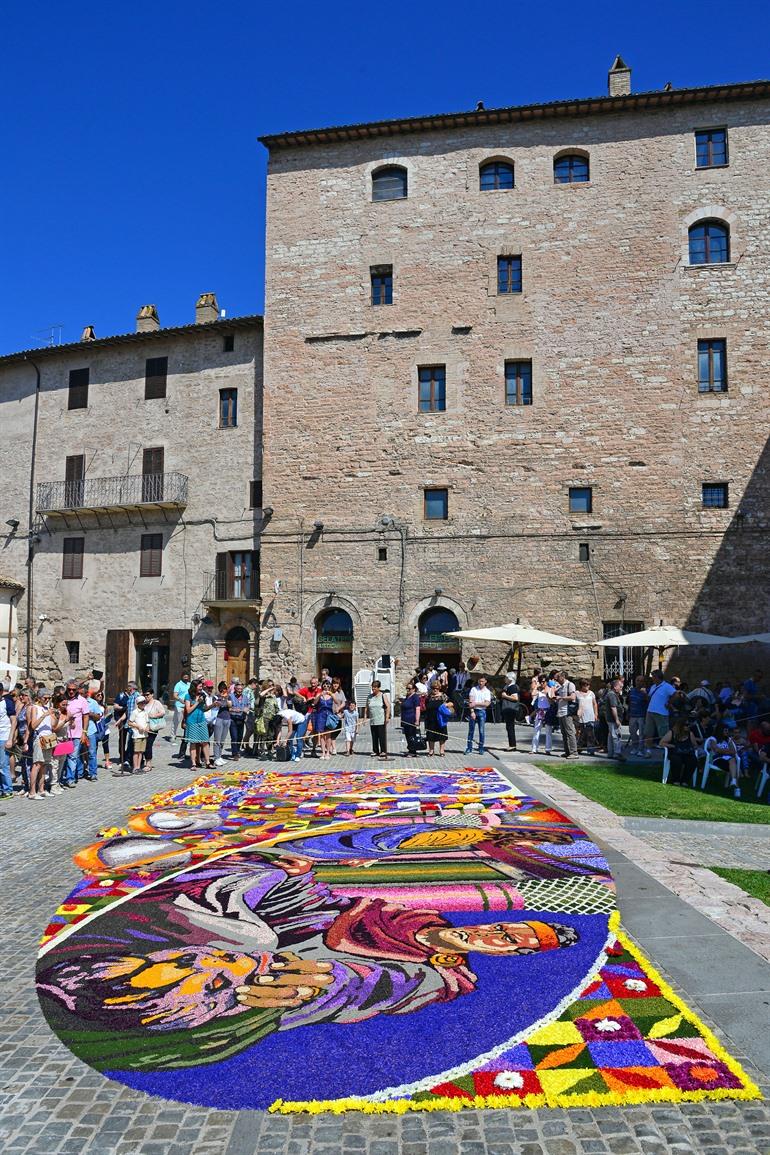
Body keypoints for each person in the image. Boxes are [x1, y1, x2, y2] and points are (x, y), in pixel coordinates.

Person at [26, 689, 57, 799]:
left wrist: (54, 715)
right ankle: (32, 791)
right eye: (45, 698)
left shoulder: (47, 708)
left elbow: (53, 725)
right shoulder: (35, 708)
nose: (47, 700)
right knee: (37, 764)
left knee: (45, 764)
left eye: (49, 698)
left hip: (48, 738)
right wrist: (44, 715)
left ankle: (41, 789)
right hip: (39, 738)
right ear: (39, 698)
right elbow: (33, 726)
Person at [63, 680, 90, 787]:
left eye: (73, 690)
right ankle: (62, 777)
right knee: (63, 757)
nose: (71, 692)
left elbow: (86, 716)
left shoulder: (82, 700)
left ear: (77, 690)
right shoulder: (63, 699)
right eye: (69, 689)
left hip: (76, 734)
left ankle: (70, 778)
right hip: (63, 733)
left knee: (73, 757)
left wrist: (84, 732)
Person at [704, 723, 741, 798]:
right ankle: (737, 788)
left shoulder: (728, 739)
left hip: (727, 759)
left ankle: (733, 781)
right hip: (718, 759)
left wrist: (723, 750)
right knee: (736, 768)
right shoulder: (713, 738)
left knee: (733, 760)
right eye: (725, 730)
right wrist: (727, 750)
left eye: (727, 731)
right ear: (720, 730)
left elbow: (734, 751)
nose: (727, 732)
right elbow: (716, 750)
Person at [661, 716, 699, 786]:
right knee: (676, 760)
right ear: (681, 725)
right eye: (686, 725)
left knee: (693, 760)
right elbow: (662, 743)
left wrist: (690, 747)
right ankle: (676, 780)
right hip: (675, 753)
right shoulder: (672, 733)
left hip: (687, 753)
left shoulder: (690, 734)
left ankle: (685, 781)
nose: (688, 726)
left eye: (688, 725)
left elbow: (695, 745)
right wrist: (673, 746)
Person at [644, 671, 676, 752]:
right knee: (648, 731)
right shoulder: (653, 686)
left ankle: (666, 751)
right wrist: (644, 694)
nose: (652, 678)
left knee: (663, 732)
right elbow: (649, 698)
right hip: (650, 711)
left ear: (658, 677)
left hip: (661, 712)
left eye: (653, 676)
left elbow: (675, 694)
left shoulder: (667, 686)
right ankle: (648, 750)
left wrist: (669, 703)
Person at [183, 683, 211, 770]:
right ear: (194, 687)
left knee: (205, 742)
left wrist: (212, 705)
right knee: (193, 742)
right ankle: (194, 764)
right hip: (192, 721)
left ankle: (208, 762)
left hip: (201, 721)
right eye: (199, 686)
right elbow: (188, 710)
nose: (201, 688)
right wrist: (197, 702)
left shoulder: (202, 695)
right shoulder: (188, 696)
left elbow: (204, 708)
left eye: (201, 687)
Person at [465, 676, 492, 755]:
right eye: (479, 681)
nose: (481, 683)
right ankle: (469, 748)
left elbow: (487, 703)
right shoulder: (473, 689)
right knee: (471, 731)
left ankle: (481, 747)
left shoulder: (487, 691)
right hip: (474, 710)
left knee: (481, 731)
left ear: (485, 681)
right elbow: (471, 702)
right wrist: (472, 711)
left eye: (482, 681)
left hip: (482, 711)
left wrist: (476, 703)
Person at [555, 671, 578, 760]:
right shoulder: (560, 686)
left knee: (570, 732)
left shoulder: (570, 685)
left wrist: (561, 698)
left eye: (558, 677)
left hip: (567, 712)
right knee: (564, 733)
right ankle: (567, 751)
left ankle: (574, 752)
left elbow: (572, 697)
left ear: (563, 677)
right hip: (561, 712)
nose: (557, 679)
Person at [365, 679, 390, 760]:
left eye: (375, 687)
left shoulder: (383, 695)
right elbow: (367, 707)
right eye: (372, 687)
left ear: (379, 688)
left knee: (381, 736)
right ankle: (375, 750)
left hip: (381, 719)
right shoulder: (369, 697)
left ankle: (383, 750)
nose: (373, 689)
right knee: (374, 736)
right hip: (373, 720)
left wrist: (387, 717)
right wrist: (365, 717)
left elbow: (388, 706)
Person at [530, 675, 554, 755]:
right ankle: (534, 748)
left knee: (548, 731)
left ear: (547, 682)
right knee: (536, 730)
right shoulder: (539, 690)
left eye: (543, 681)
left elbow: (552, 701)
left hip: (548, 711)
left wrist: (547, 695)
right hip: (540, 711)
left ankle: (548, 749)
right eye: (541, 682)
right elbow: (533, 694)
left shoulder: (550, 689)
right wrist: (536, 686)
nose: (542, 683)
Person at [143, 689, 167, 771]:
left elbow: (163, 712)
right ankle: (143, 761)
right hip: (143, 727)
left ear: (152, 694)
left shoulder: (156, 703)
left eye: (148, 694)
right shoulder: (143, 703)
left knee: (148, 745)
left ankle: (148, 764)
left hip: (153, 727)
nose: (146, 696)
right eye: (145, 695)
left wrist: (153, 715)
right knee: (143, 745)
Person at [602, 677, 624, 761]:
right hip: (612, 719)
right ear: (615, 687)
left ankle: (610, 753)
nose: (621, 689)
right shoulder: (612, 695)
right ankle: (617, 753)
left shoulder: (612, 694)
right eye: (620, 687)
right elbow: (613, 707)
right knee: (616, 736)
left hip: (610, 719)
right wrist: (617, 720)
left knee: (611, 736)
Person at [424, 685, 450, 756]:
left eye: (437, 688)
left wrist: (446, 705)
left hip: (440, 718)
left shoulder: (443, 696)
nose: (435, 690)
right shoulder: (429, 697)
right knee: (430, 735)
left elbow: (451, 703)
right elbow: (425, 706)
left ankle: (442, 751)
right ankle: (431, 751)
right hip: (430, 718)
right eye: (433, 688)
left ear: (439, 688)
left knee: (442, 735)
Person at [627, 676, 649, 757]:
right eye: (637, 680)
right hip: (633, 715)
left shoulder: (646, 691)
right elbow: (629, 702)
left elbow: (649, 702)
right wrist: (628, 713)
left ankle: (641, 749)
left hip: (641, 715)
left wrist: (645, 694)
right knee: (632, 732)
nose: (639, 682)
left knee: (642, 734)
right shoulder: (632, 691)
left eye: (641, 681)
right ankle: (635, 747)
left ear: (644, 682)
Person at [575, 679, 598, 755]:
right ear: (582, 686)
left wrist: (596, 714)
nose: (588, 686)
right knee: (581, 733)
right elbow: (574, 705)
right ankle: (579, 748)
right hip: (581, 716)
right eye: (586, 685)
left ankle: (591, 749)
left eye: (588, 685)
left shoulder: (591, 693)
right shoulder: (577, 693)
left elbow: (595, 704)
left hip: (590, 716)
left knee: (590, 733)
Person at [128, 695, 150, 774]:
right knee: (136, 751)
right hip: (137, 735)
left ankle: (139, 766)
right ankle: (135, 767)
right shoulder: (135, 712)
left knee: (141, 752)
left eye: (144, 702)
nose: (143, 704)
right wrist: (138, 726)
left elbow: (147, 722)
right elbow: (130, 722)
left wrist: (147, 727)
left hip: (144, 735)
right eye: (141, 703)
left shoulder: (145, 712)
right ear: (138, 704)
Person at [400, 681, 422, 756]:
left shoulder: (415, 697)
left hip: (411, 720)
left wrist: (417, 720)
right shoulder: (407, 696)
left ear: (414, 689)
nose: (408, 690)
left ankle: (413, 751)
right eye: (407, 688)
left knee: (412, 736)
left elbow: (417, 709)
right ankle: (410, 749)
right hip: (405, 720)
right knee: (408, 735)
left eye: (409, 688)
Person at [499, 674, 520, 751]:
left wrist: (505, 696)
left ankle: (512, 745)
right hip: (508, 709)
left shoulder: (513, 687)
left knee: (510, 727)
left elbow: (515, 698)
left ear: (510, 679)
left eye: (506, 678)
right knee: (509, 727)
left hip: (511, 709)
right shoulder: (508, 686)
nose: (505, 679)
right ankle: (511, 744)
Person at [228, 682, 248, 761]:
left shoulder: (245, 697)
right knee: (234, 737)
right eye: (238, 689)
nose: (240, 691)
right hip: (233, 719)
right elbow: (229, 709)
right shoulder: (231, 696)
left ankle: (238, 751)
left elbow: (248, 705)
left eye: (241, 689)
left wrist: (247, 709)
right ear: (235, 689)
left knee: (240, 737)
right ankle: (235, 753)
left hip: (241, 719)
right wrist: (236, 710)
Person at [171, 673, 191, 741]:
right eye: (184, 677)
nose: (186, 678)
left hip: (188, 705)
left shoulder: (189, 684)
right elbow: (175, 695)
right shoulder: (178, 684)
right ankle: (173, 735)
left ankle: (187, 735)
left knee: (188, 721)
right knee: (176, 721)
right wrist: (180, 699)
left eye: (187, 677)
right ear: (182, 677)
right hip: (179, 705)